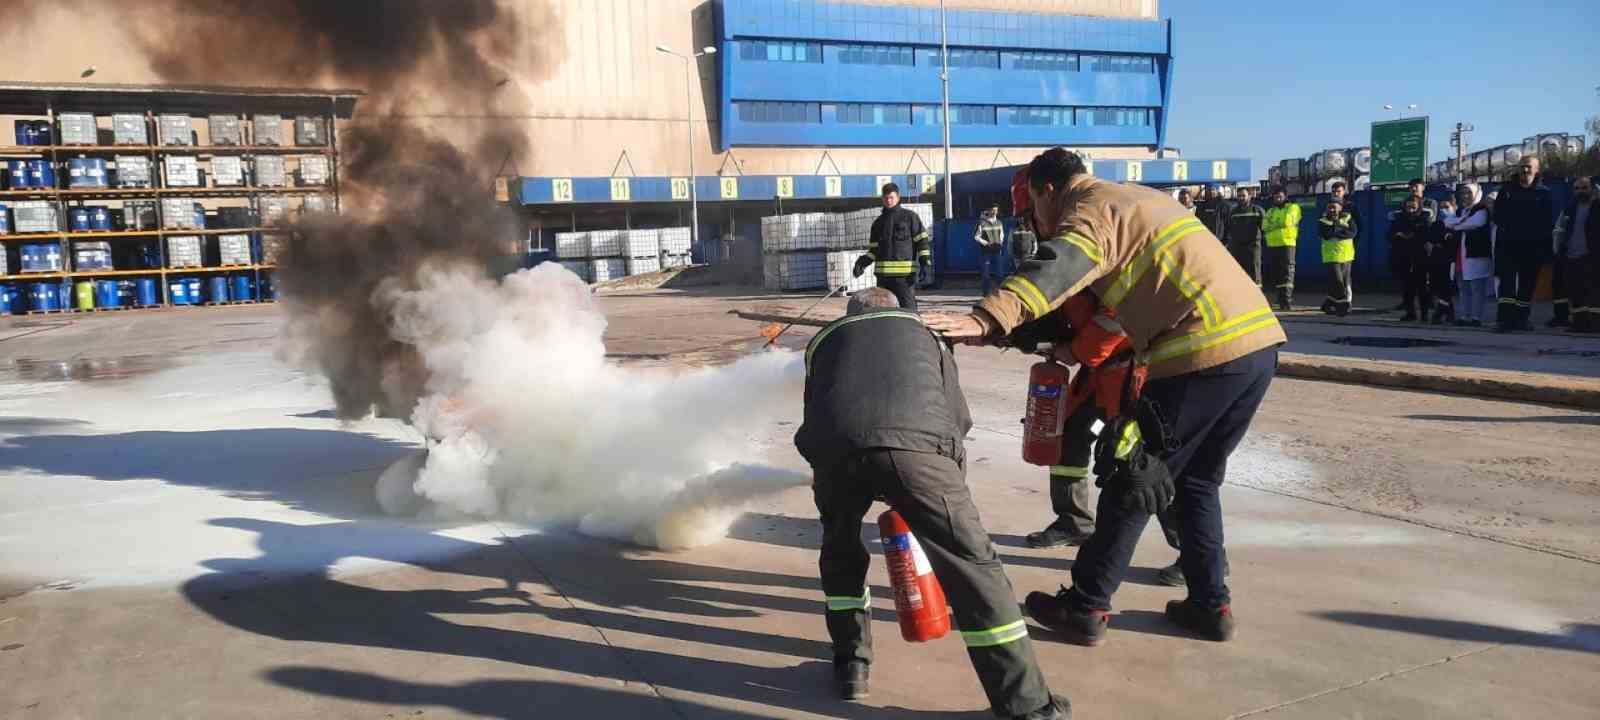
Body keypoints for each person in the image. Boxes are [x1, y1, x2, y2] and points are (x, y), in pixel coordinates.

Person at [926, 147, 1285, 646]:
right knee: (1197, 482)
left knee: (1131, 476)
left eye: (1032, 208)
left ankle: (1086, 605)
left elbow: (1059, 266)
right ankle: (1209, 605)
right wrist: (1017, 333)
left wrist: (987, 318)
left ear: (1049, 189)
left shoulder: (1093, 209)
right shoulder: (1135, 199)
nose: (1036, 223)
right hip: (1255, 348)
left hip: (1198, 352)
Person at [796, 286, 1070, 720]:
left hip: (835, 453)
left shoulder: (824, 340)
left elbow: (817, 412)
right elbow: (955, 416)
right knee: (976, 570)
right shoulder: (925, 333)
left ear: (852, 313)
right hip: (919, 450)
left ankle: (851, 664)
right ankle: (1027, 706)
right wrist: (943, 494)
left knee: (841, 551)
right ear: (899, 309)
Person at [1492, 156, 1555, 332]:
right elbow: (1497, 216)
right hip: (1509, 245)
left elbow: (1547, 222)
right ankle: (1505, 321)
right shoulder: (1507, 190)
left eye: (1528, 167)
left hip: (1532, 247)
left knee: (1527, 285)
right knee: (1507, 285)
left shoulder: (1544, 193)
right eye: (1522, 167)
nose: (1524, 170)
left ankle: (1521, 319)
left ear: (1536, 170)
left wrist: (1544, 248)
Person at [854, 183, 931, 311]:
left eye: (891, 197)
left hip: (904, 278)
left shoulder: (910, 217)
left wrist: (925, 263)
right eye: (886, 198)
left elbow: (922, 241)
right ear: (882, 199)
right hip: (883, 279)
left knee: (909, 310)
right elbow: (874, 251)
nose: (888, 201)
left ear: (898, 197)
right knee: (885, 312)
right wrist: (862, 263)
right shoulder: (878, 223)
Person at [1554, 176, 1598, 333]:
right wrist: (1558, 250)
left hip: (1592, 257)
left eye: (1584, 188)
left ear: (1592, 189)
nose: (1580, 191)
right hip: (1571, 256)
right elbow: (1559, 230)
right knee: (1575, 291)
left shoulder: (1597, 207)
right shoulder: (1569, 209)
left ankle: (1595, 324)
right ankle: (1579, 323)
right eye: (1577, 188)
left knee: (1593, 291)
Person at [1445, 184, 1493, 327]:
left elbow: (1476, 223)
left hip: (1476, 255)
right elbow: (1447, 222)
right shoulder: (1463, 211)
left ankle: (1476, 317)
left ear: (1476, 194)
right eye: (1463, 193)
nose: (1465, 196)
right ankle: (1465, 316)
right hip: (1461, 255)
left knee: (1477, 288)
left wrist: (1457, 224)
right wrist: (1459, 223)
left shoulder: (1481, 209)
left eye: (1469, 193)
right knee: (1463, 287)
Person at [1389, 179, 1438, 311]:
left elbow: (1430, 220)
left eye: (1416, 186)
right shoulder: (1405, 202)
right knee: (1406, 277)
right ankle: (1407, 303)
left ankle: (1428, 303)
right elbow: (1399, 220)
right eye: (1411, 187)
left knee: (1425, 276)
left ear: (1423, 187)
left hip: (1424, 243)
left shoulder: (1430, 203)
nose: (1413, 189)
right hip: (1406, 247)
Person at [1263, 186, 1301, 311]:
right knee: (1277, 274)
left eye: (1280, 196)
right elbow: (1264, 226)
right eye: (1275, 197)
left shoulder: (1293, 207)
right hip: (1273, 245)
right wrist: (1278, 224)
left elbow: (1287, 221)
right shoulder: (1270, 211)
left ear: (1285, 196)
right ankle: (1280, 300)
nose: (1277, 198)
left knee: (1287, 273)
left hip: (1287, 243)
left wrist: (1273, 225)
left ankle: (1287, 300)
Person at [1318, 199, 1356, 316]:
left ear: (1340, 208)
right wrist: (1340, 229)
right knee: (1337, 281)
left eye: (1335, 207)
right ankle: (1343, 306)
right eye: (1330, 207)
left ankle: (1329, 304)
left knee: (1342, 282)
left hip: (1346, 255)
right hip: (1331, 256)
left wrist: (1336, 231)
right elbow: (1326, 235)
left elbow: (1352, 232)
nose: (1332, 210)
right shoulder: (1323, 221)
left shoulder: (1348, 218)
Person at [1423, 199, 1458, 324]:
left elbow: (1452, 243)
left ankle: (1444, 312)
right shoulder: (1437, 224)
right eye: (1441, 207)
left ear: (1454, 207)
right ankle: (1445, 312)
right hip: (1436, 261)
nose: (1444, 210)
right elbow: (1430, 241)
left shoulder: (1456, 223)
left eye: (1447, 206)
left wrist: (1440, 243)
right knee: (1438, 288)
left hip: (1450, 262)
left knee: (1447, 288)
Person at [1225, 187, 1265, 286]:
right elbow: (1228, 228)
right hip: (1237, 248)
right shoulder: (1233, 212)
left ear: (1249, 196)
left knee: (1255, 273)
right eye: (1239, 196)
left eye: (1243, 195)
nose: (1241, 198)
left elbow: (1265, 229)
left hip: (1253, 247)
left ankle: (1257, 297)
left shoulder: (1258, 210)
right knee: (1239, 273)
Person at [976, 204, 1006, 296]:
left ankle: (1000, 293)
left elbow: (1002, 234)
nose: (994, 212)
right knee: (986, 274)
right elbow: (976, 237)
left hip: (997, 251)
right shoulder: (982, 223)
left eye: (996, 210)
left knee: (1000, 274)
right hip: (986, 252)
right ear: (988, 211)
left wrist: (1000, 242)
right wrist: (986, 243)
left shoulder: (999, 222)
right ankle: (986, 294)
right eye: (993, 210)